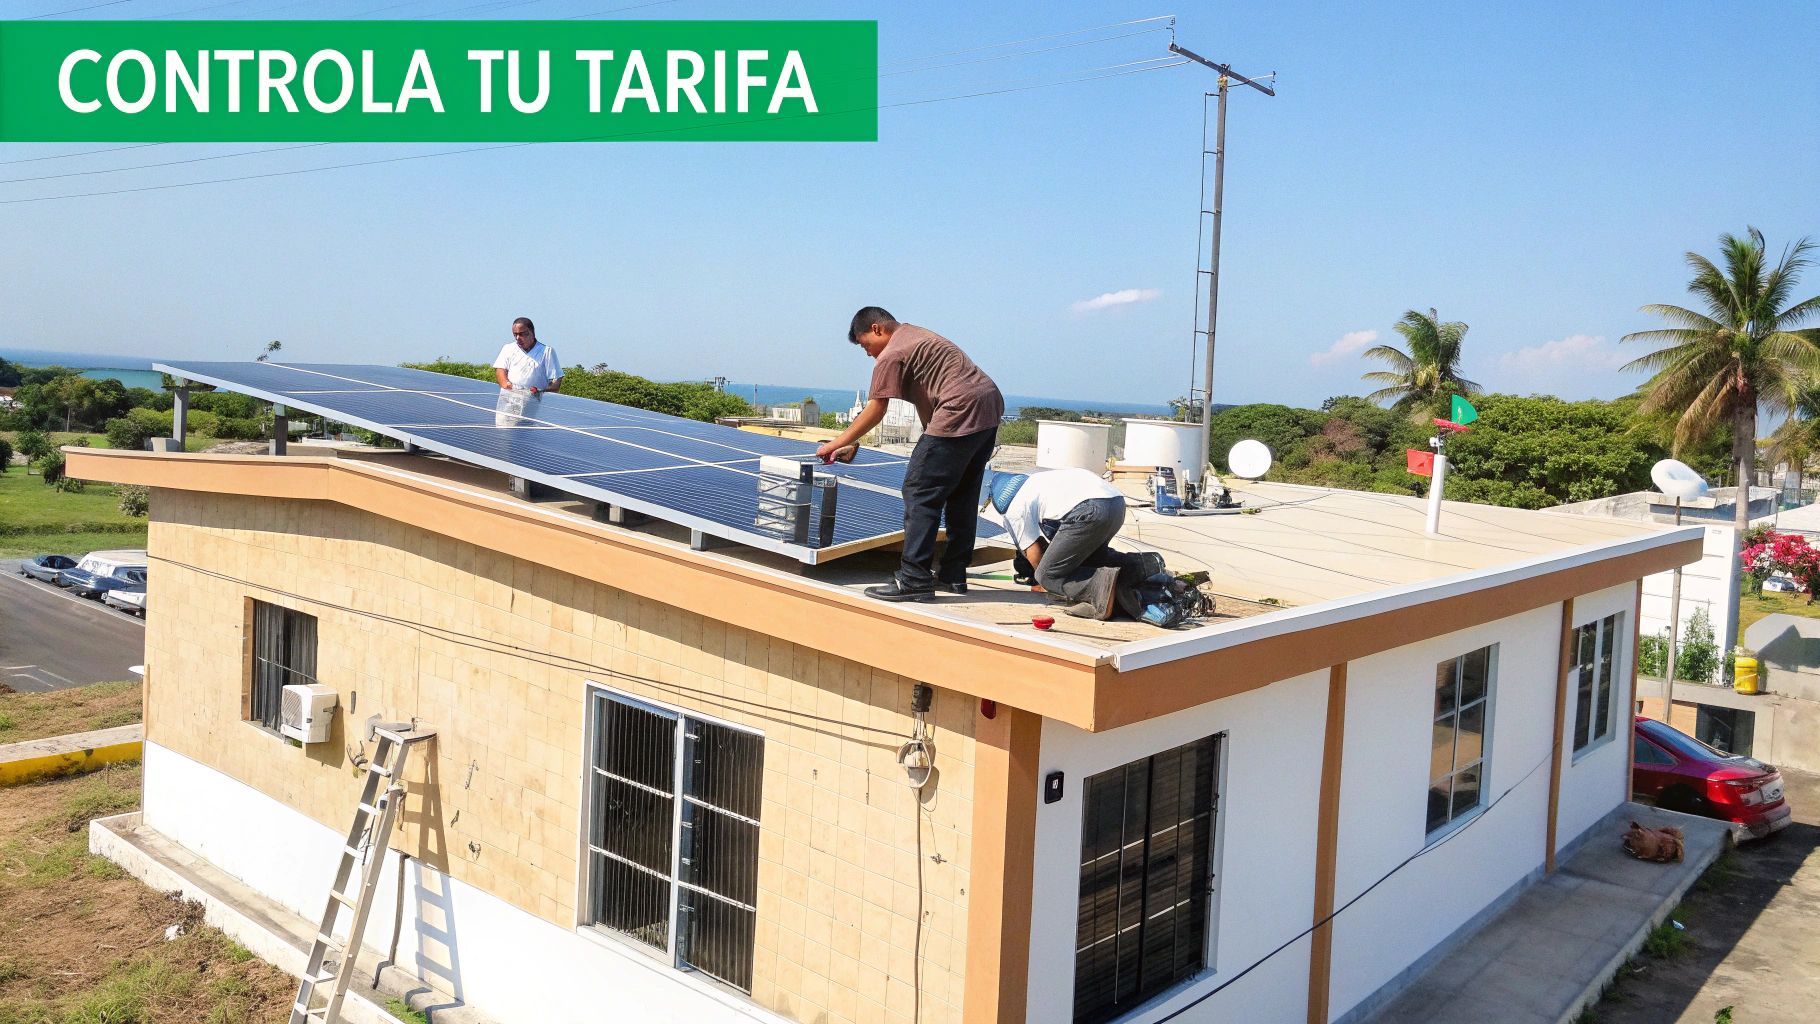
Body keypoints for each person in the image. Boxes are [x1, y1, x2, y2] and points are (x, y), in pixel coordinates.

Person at [817, 307, 1004, 602]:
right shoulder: (916, 337)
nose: (868, 353)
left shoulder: (892, 353)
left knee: (919, 491)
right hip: (988, 407)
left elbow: (877, 408)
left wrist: (834, 443)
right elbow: (926, 398)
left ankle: (914, 579)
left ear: (877, 329)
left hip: (959, 408)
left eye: (865, 345)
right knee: (962, 493)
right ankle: (953, 574)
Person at [985, 469, 1138, 620]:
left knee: (1046, 575)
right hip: (1116, 502)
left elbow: (1034, 552)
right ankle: (1139, 567)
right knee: (1091, 561)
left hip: (1089, 509)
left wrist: (1046, 584)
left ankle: (1099, 592)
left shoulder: (1014, 509)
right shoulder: (1036, 482)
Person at [493, 317, 563, 395]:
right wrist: (506, 384)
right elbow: (500, 370)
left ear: (532, 332)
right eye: (515, 334)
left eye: (521, 334)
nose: (518, 338)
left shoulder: (547, 351)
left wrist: (541, 391)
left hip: (535, 399)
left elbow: (556, 381)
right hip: (510, 398)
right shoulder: (508, 348)